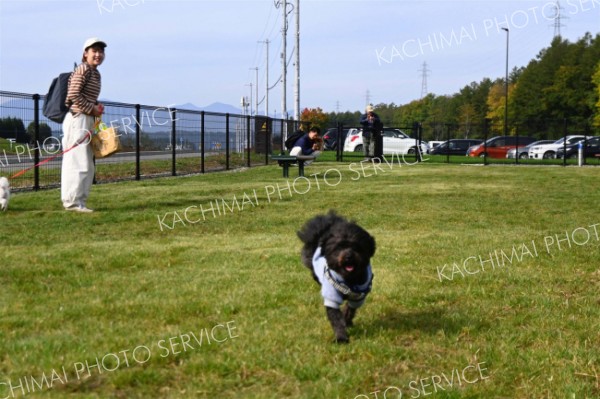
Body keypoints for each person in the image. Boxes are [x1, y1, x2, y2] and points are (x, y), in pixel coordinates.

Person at [61, 37, 106, 213]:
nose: (98, 54)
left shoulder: (95, 73)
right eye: (94, 51)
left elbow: (86, 96)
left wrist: (96, 106)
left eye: (101, 51)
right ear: (85, 54)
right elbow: (73, 95)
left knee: (86, 163)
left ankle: (79, 201)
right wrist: (92, 109)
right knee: (77, 161)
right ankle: (72, 202)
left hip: (86, 119)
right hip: (77, 119)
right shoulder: (83, 69)